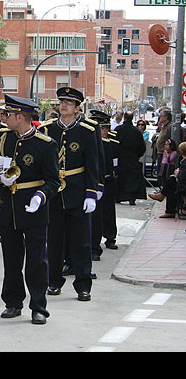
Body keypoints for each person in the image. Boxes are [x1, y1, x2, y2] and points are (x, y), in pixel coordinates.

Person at [0, 94, 59, 325]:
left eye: (8, 114)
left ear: (20, 117)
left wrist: (41, 196)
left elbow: (53, 180)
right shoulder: (3, 139)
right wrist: (1, 178)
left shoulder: (45, 144)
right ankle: (12, 301)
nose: (5, 118)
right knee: (11, 258)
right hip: (9, 207)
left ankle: (38, 306)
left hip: (34, 208)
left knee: (36, 260)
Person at [38, 87, 100, 302]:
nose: (63, 105)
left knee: (81, 242)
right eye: (61, 101)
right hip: (55, 193)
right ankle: (54, 281)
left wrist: (91, 193)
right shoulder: (47, 130)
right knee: (53, 241)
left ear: (77, 108)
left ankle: (83, 285)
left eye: (69, 103)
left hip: (77, 191)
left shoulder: (87, 130)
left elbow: (93, 164)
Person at [89, 110, 119, 259]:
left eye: (106, 128)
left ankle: (109, 237)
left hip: (107, 181)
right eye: (102, 128)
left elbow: (112, 163)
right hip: (93, 183)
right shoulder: (90, 141)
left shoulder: (109, 143)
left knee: (107, 212)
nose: (105, 131)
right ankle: (93, 245)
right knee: (94, 217)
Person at [114, 112, 147, 205]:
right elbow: (142, 147)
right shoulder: (136, 132)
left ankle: (118, 197)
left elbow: (113, 143)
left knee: (120, 178)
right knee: (132, 180)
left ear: (124, 118)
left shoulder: (118, 129)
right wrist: (138, 156)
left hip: (120, 159)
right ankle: (131, 197)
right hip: (133, 159)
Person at [149, 141, 186, 218]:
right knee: (170, 181)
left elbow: (182, 176)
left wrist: (177, 173)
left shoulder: (184, 162)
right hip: (182, 183)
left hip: (183, 185)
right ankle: (164, 200)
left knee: (171, 181)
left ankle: (162, 197)